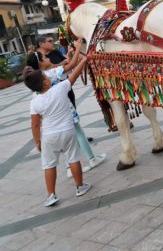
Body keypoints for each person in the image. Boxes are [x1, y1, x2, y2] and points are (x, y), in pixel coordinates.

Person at [26, 41, 106, 176]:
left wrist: (38, 141)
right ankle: (90, 160)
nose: (48, 58)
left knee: (64, 142)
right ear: (40, 63)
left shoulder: (39, 77)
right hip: (65, 110)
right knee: (78, 133)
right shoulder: (50, 73)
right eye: (45, 58)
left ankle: (72, 167)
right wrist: (79, 48)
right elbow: (72, 65)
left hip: (51, 119)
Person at [26, 56, 92, 207]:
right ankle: (80, 186)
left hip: (49, 136)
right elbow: (74, 75)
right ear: (45, 82)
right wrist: (84, 60)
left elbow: (35, 125)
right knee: (73, 159)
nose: (48, 77)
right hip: (68, 131)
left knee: (49, 165)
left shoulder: (34, 102)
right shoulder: (60, 88)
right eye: (45, 76)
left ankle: (51, 195)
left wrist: (37, 141)